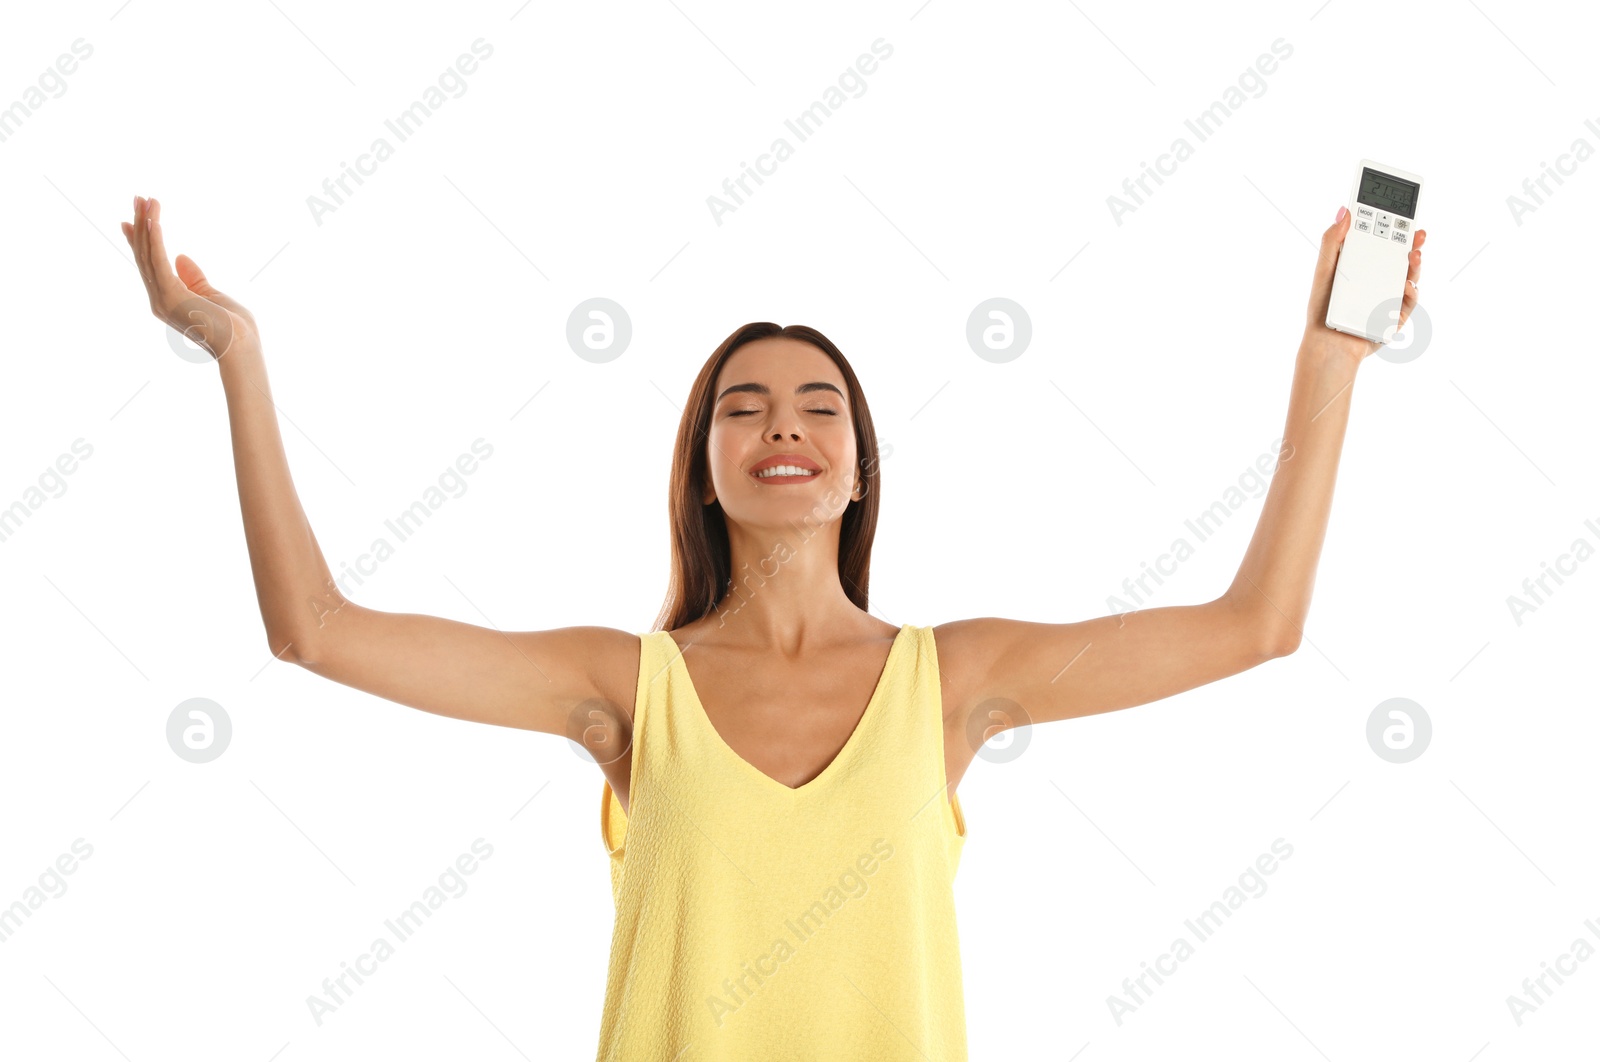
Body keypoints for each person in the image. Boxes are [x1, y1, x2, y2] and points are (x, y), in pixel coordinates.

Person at [122, 195, 1425, 1060]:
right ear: (704, 464)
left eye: (818, 406)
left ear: (859, 466)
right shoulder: (626, 686)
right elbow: (315, 628)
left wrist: (1330, 362)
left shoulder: (955, 680)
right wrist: (238, 357)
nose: (784, 425)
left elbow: (1257, 625)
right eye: (743, 407)